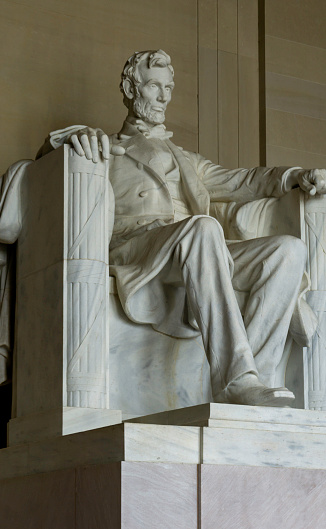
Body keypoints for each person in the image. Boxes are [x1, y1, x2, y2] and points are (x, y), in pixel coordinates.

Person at [37, 49, 326, 407]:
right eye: (153, 86)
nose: (163, 97)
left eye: (169, 88)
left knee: (289, 251)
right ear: (130, 88)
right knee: (203, 228)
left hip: (196, 246)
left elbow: (245, 180)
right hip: (138, 247)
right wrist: (72, 137)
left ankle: (256, 379)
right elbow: (45, 166)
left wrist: (294, 176)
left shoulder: (187, 159)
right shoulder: (105, 145)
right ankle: (235, 380)